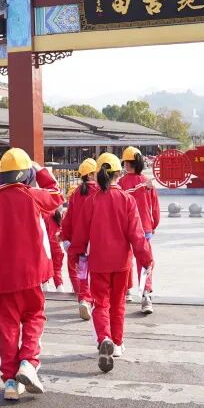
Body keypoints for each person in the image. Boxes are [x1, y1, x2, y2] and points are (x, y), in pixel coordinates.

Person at [0, 149, 63, 400]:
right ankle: (28, 362)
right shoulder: (33, 195)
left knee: (8, 329)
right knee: (34, 317)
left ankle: (10, 382)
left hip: (2, 276)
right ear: (26, 174)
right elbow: (57, 194)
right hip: (33, 274)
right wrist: (42, 171)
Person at [68, 152, 153, 374]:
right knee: (118, 304)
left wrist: (75, 255)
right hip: (122, 263)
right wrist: (146, 260)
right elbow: (137, 236)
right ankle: (117, 343)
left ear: (98, 174)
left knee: (101, 304)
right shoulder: (127, 200)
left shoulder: (91, 201)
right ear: (118, 174)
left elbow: (80, 235)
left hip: (98, 263)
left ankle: (104, 337)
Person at [118, 147, 161, 315]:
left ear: (127, 164)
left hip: (124, 228)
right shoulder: (147, 182)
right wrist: (153, 225)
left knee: (125, 259)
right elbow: (155, 208)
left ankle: (126, 291)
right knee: (145, 262)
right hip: (144, 228)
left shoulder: (120, 183)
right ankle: (145, 295)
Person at [58, 159, 97, 321]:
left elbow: (68, 219)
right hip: (97, 242)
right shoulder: (100, 191)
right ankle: (96, 301)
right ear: (91, 175)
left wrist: (65, 237)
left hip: (79, 242)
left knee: (83, 273)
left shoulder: (75, 194)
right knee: (97, 275)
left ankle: (84, 299)